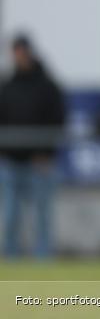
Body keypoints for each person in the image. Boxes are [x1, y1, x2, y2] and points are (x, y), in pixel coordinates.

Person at [0, 35, 66, 258]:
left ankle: (43, 260)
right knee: (10, 215)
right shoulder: (7, 86)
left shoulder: (47, 86)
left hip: (40, 163)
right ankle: (10, 259)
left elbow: (58, 121)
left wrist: (46, 152)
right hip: (11, 162)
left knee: (41, 217)